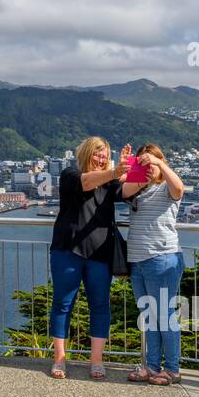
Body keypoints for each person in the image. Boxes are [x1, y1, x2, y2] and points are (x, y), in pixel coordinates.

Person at [48, 137, 129, 379]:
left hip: (100, 252)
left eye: (104, 155)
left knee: (100, 305)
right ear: (85, 154)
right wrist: (115, 171)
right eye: (97, 154)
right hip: (67, 249)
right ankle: (60, 360)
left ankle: (96, 360)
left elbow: (127, 190)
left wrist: (136, 168)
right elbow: (85, 183)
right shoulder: (70, 174)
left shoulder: (110, 181)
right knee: (63, 303)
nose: (101, 158)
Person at [121, 144, 186, 386]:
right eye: (143, 164)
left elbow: (179, 188)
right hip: (137, 260)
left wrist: (159, 165)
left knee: (165, 316)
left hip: (162, 258)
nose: (148, 167)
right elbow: (124, 190)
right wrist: (135, 170)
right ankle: (151, 366)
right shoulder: (138, 190)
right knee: (148, 316)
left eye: (151, 163)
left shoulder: (166, 188)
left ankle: (172, 369)